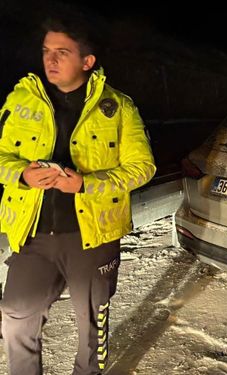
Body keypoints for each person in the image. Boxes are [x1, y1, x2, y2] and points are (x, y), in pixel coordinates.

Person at [0, 14, 155, 375]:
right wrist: (22, 173)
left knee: (91, 329)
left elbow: (142, 168)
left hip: (92, 237)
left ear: (87, 62)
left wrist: (85, 184)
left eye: (62, 52)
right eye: (46, 51)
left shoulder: (117, 107)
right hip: (33, 235)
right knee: (15, 316)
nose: (50, 60)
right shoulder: (24, 99)